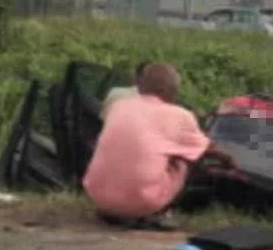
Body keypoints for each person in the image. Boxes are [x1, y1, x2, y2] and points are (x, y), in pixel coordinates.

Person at [82, 62, 236, 229]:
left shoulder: (119, 106)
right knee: (187, 159)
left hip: (98, 195)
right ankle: (158, 213)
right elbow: (207, 150)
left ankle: (112, 211)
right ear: (172, 90)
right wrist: (231, 162)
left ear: (140, 86)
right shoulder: (179, 115)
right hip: (141, 201)